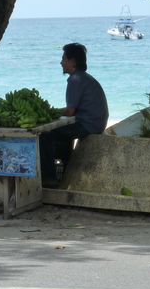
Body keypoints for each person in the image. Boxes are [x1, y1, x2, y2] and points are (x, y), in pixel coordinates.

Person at [40, 42, 109, 184]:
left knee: (44, 135)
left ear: (72, 61)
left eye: (63, 58)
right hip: (96, 123)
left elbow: (70, 111)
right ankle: (65, 175)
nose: (61, 62)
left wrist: (50, 112)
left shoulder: (75, 79)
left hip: (87, 125)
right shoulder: (84, 77)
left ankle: (48, 178)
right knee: (63, 137)